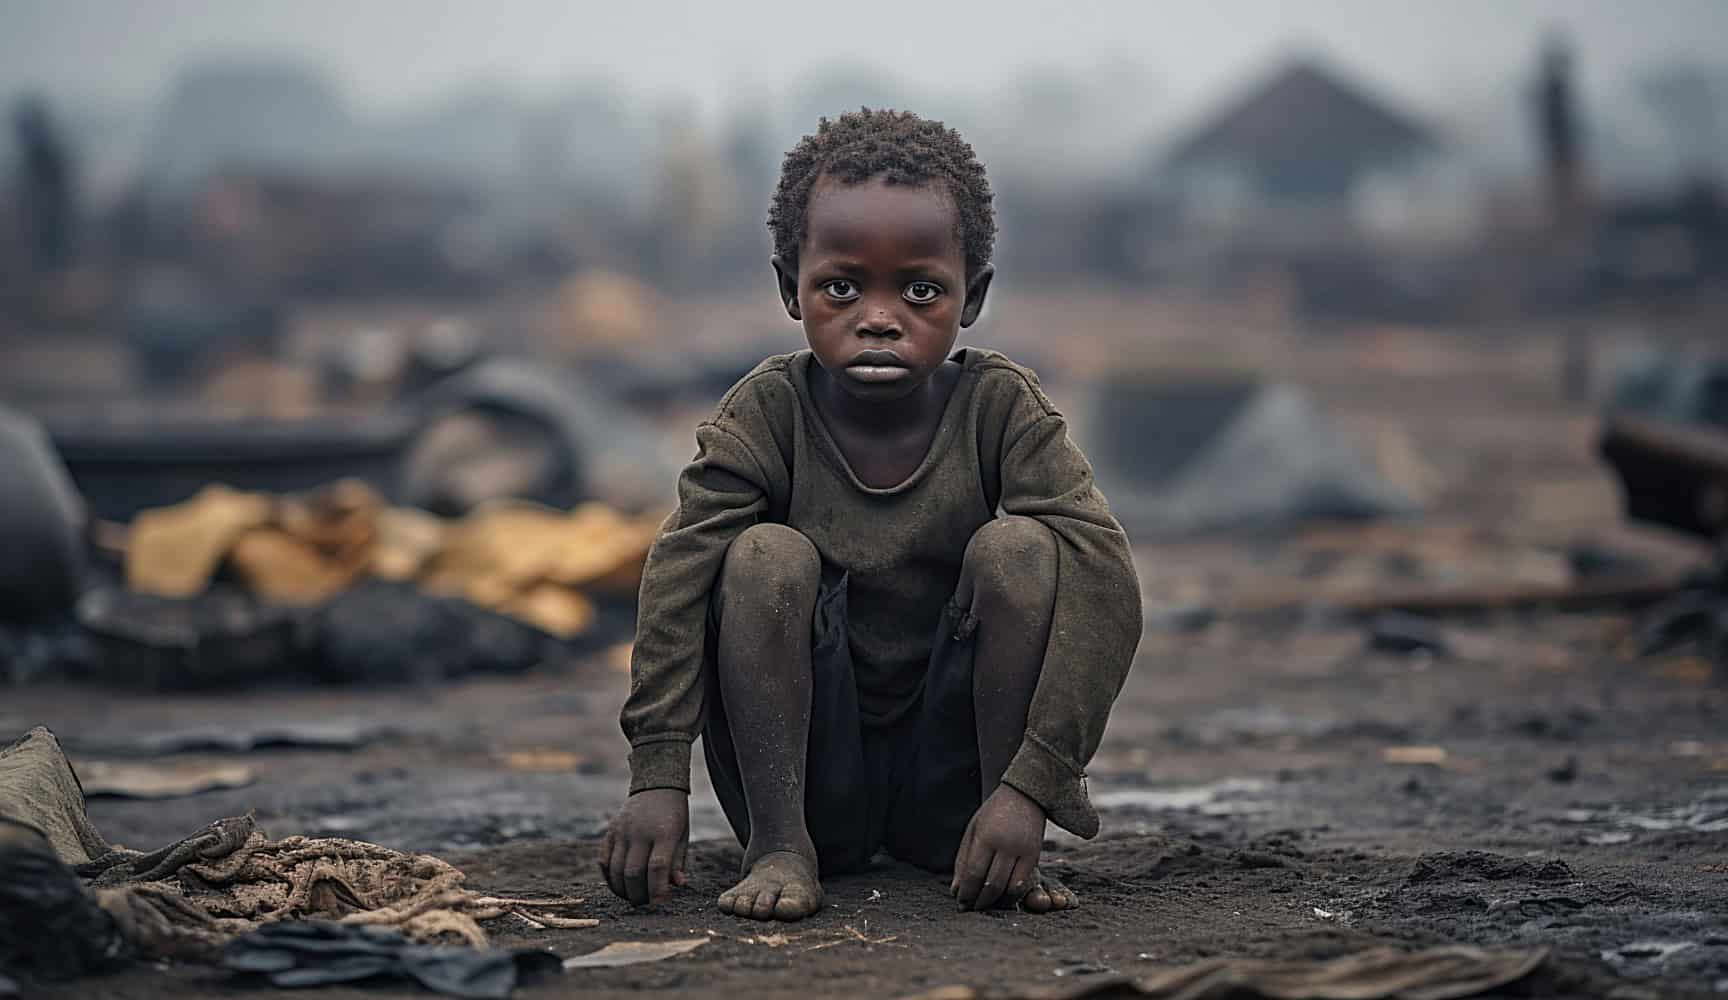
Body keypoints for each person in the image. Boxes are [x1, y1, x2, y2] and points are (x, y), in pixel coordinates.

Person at [599, 109, 1142, 922]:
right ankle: (781, 850)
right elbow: (677, 576)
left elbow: (1105, 579)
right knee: (762, 557)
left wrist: (1034, 786)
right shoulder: (766, 415)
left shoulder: (1000, 410)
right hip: (808, 788)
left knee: (1024, 550)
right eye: (841, 287)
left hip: (957, 795)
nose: (880, 315)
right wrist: (658, 773)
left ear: (974, 295)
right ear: (791, 287)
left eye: (921, 290)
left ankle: (1001, 838)